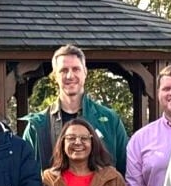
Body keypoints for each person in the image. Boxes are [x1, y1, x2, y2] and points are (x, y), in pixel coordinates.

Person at [23, 44, 128, 174]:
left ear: (85, 72)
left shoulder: (110, 121)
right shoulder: (37, 126)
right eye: (63, 70)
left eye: (76, 69)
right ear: (55, 76)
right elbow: (25, 177)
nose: (70, 76)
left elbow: (126, 172)